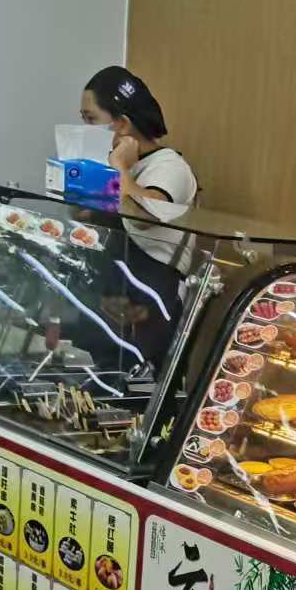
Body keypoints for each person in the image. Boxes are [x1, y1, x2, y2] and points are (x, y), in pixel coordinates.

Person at [78, 66, 198, 366]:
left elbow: (144, 218)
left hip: (150, 311)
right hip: (110, 306)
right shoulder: (115, 167)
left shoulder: (169, 167)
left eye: (91, 119)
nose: (84, 129)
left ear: (122, 124)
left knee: (138, 387)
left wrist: (119, 165)